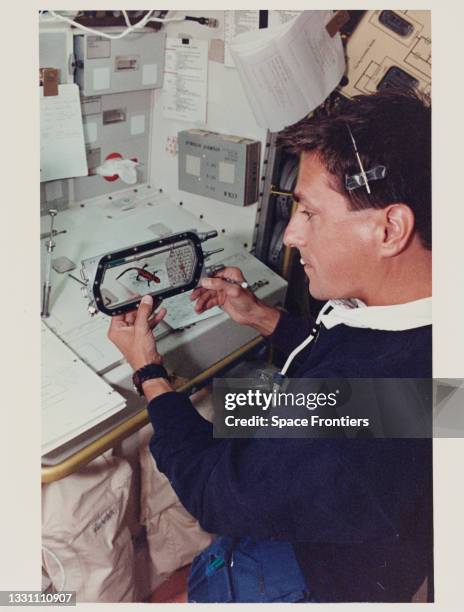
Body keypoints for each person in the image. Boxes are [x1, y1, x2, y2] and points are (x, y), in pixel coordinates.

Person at [108, 89, 432, 602]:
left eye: (309, 212)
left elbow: (216, 492)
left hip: (311, 575)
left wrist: (149, 371)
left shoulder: (362, 411)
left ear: (389, 228)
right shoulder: (419, 327)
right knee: (230, 405)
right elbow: (363, 375)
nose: (290, 237)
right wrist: (261, 316)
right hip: (354, 525)